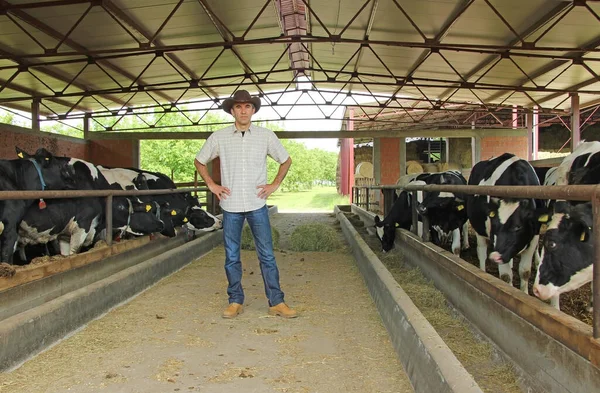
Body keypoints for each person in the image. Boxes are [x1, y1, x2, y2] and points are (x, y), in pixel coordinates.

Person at [194, 89, 297, 319]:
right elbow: (199, 161)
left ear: (253, 110)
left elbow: (286, 160)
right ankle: (235, 300)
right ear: (232, 110)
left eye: (247, 106)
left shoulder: (265, 136)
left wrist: (274, 184)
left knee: (267, 255)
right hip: (230, 206)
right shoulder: (219, 137)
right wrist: (211, 184)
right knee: (232, 255)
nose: (243, 110)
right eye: (238, 106)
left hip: (257, 203)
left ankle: (276, 302)